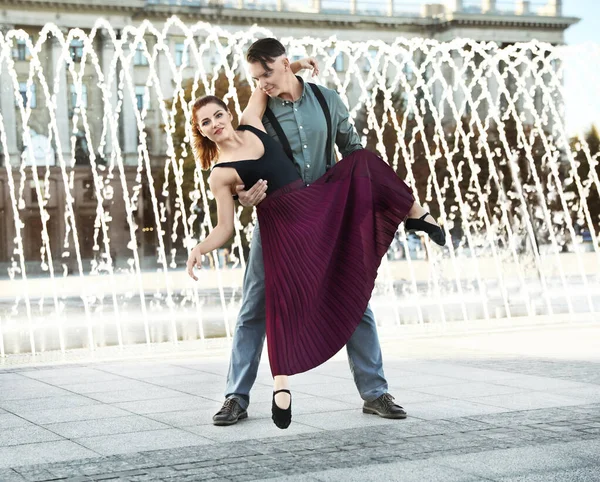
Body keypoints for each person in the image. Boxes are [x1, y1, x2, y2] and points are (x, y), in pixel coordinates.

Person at [187, 41, 445, 429]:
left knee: (354, 297)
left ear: (284, 65)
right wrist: (242, 198)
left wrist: (367, 191)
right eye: (257, 78)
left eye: (268, 74)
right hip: (279, 219)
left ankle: (375, 393)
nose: (263, 83)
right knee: (255, 307)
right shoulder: (257, 111)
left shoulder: (327, 100)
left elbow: (352, 148)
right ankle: (235, 398)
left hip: (327, 209)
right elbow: (241, 173)